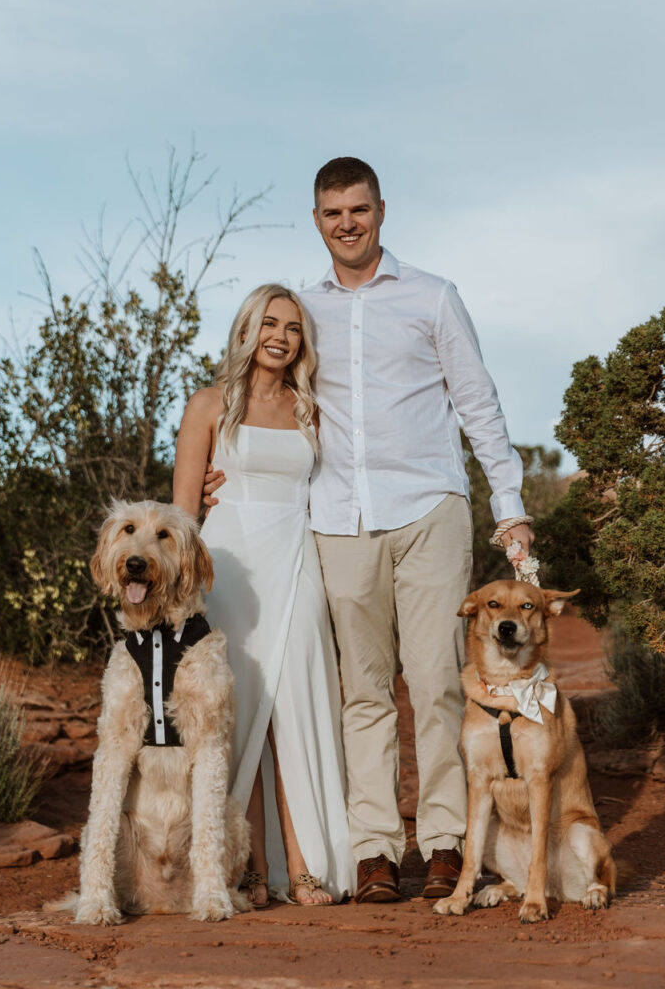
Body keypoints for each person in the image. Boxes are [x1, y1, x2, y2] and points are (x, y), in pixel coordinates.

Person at [208, 157, 534, 903]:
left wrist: (507, 503)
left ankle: (445, 841)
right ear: (317, 220)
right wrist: (217, 469)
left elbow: (477, 404)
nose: (346, 224)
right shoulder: (304, 309)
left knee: (434, 683)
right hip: (336, 521)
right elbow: (258, 392)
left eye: (358, 210)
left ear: (380, 211)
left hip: (428, 510)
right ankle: (375, 850)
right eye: (332, 213)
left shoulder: (432, 298)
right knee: (362, 692)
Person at [173, 283, 355, 907]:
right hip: (229, 568)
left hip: (297, 560)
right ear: (247, 329)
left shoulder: (313, 410)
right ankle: (250, 867)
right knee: (238, 711)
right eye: (269, 323)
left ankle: (303, 867)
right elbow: (180, 514)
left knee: (296, 708)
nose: (280, 336)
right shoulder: (207, 405)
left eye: (293, 328)